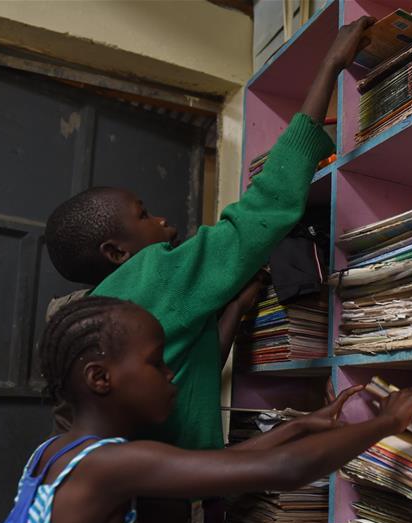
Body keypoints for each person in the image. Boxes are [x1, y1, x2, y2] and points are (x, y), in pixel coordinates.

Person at [0, 296, 412, 523]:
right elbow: (283, 472)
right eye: (155, 362)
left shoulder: (61, 454)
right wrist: (386, 421)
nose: (170, 375)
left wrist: (298, 427)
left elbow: (232, 469)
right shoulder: (109, 465)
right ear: (101, 378)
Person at [44, 17, 374, 450]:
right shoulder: (154, 274)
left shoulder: (100, 313)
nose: (166, 223)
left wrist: (234, 309)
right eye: (144, 216)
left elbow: (188, 374)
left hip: (169, 495)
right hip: (172, 493)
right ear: (117, 252)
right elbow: (262, 211)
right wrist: (330, 65)